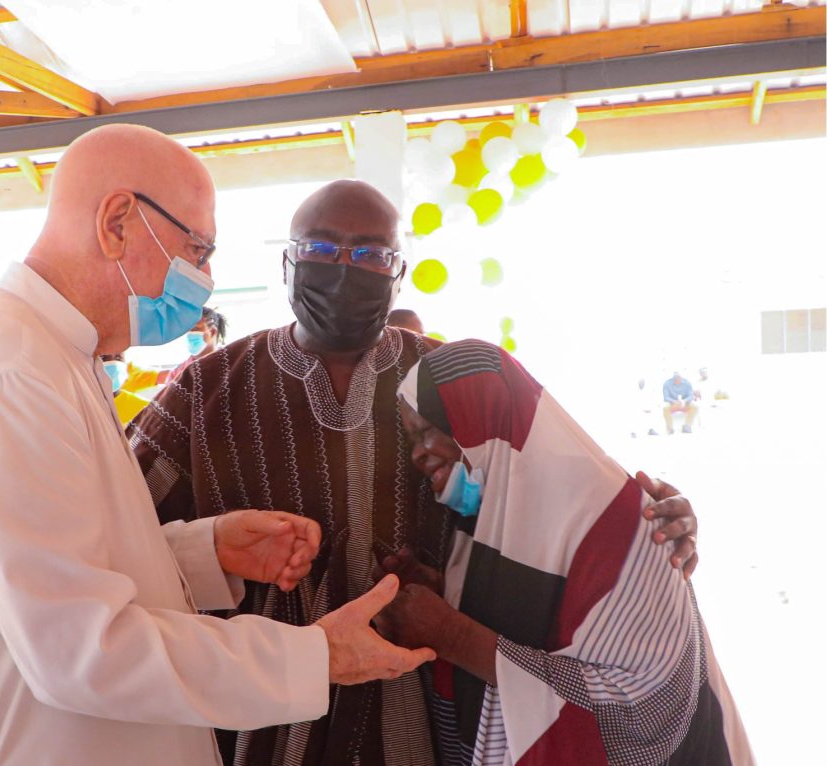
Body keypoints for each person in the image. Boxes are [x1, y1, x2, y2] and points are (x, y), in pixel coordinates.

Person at [0, 125, 435, 766]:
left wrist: (208, 551)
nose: (205, 277)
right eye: (197, 248)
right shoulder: (10, 378)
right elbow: (81, 646)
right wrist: (317, 655)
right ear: (117, 222)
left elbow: (49, 564)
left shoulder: (49, 357)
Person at [131, 179, 701, 766]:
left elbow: (561, 501)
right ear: (287, 262)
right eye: (322, 251)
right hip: (266, 715)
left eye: (372, 254)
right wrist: (222, 550)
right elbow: (114, 533)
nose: (346, 269)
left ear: (399, 273)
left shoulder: (450, 382)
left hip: (437, 711)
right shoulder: (207, 391)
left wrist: (649, 534)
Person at [383, 339, 752, 766]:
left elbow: (647, 709)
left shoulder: (614, 512)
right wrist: (442, 591)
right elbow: (541, 614)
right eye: (412, 439)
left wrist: (449, 634)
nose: (417, 453)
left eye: (429, 429)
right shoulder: (490, 511)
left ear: (482, 415)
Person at [169, 306, 228, 380]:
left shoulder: (230, 363)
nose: (190, 333)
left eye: (196, 329)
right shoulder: (177, 374)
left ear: (212, 332)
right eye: (188, 329)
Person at [101, 352, 150, 426]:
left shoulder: (144, 409)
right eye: (103, 358)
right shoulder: (82, 404)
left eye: (119, 358)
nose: (114, 363)